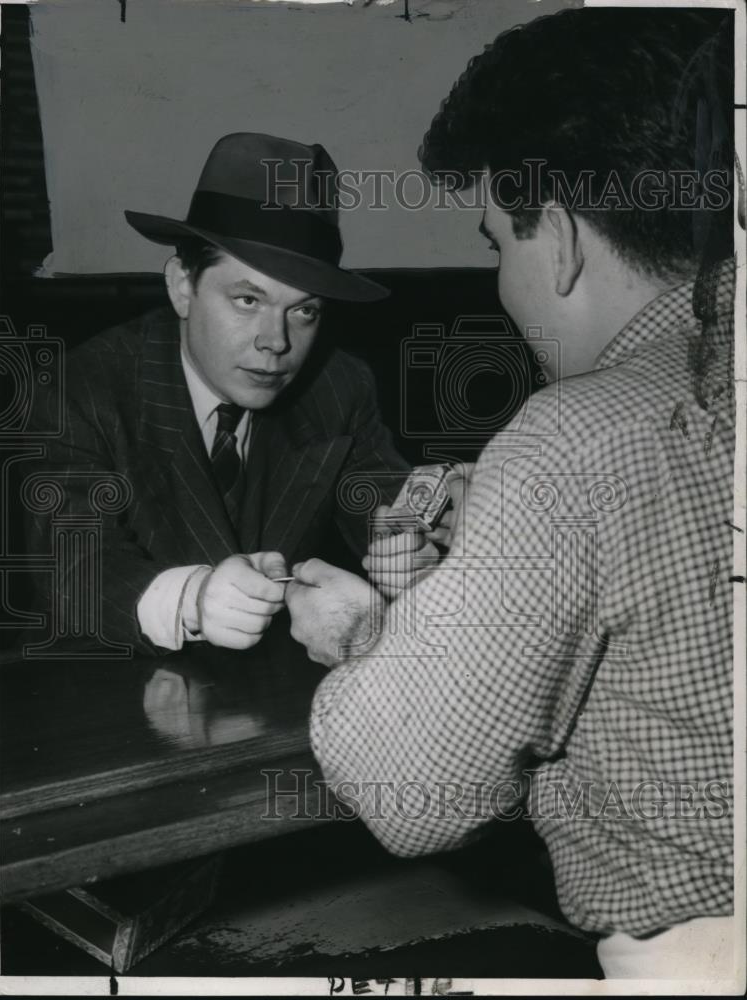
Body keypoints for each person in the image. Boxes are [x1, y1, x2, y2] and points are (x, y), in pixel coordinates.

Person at [286, 9, 739, 981]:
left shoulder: (570, 437)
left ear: (564, 242)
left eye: (496, 242)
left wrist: (366, 637)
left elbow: (412, 791)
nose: (500, 280)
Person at [25, 132, 453, 655]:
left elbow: (389, 514)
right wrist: (193, 600)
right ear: (183, 286)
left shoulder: (340, 385)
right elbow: (74, 567)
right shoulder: (80, 390)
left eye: (305, 310)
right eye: (248, 299)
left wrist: (418, 555)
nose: (277, 341)